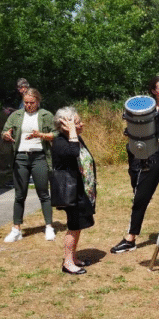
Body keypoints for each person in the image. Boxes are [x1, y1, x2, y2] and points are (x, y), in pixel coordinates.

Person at [110, 76, 159, 254]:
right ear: (153, 92)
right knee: (141, 197)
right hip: (151, 156)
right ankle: (130, 238)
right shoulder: (146, 110)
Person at [1, 88, 57, 242]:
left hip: (39, 157)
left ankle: (49, 227)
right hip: (20, 157)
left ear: (38, 101)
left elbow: (56, 133)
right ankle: (16, 229)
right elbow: (4, 131)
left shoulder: (46, 115)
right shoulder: (16, 115)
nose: (29, 105)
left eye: (32, 102)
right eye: (26, 102)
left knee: (43, 193)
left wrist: (41, 135)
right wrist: (6, 135)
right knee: (19, 195)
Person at [52, 107, 96, 275]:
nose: (81, 124)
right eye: (77, 122)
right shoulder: (60, 141)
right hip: (70, 191)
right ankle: (68, 262)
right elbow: (74, 152)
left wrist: (73, 132)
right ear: (65, 125)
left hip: (80, 189)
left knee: (78, 226)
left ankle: (73, 257)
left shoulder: (74, 138)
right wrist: (72, 131)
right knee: (74, 225)